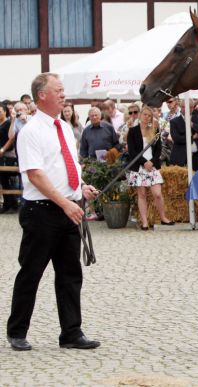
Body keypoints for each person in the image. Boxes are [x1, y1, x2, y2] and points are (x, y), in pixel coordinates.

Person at [6, 72, 100, 351]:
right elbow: (35, 175)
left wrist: (81, 188)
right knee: (31, 271)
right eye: (57, 90)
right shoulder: (32, 131)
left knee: (71, 274)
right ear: (42, 96)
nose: (63, 94)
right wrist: (65, 202)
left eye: (63, 90)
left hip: (68, 209)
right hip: (42, 212)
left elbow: (67, 166)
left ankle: (71, 332)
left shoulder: (64, 128)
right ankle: (17, 331)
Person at [126, 105, 174, 230]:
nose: (147, 117)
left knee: (157, 193)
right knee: (141, 194)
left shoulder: (154, 130)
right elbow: (132, 152)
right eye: (145, 114)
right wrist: (144, 163)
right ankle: (144, 222)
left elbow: (158, 149)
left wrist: (152, 162)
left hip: (152, 166)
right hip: (139, 167)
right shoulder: (132, 131)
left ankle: (163, 218)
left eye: (149, 116)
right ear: (140, 115)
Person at [0, 102, 19, 213]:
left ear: (5, 112)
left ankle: (12, 204)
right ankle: (8, 204)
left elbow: (11, 139)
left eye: (0, 111)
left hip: (8, 155)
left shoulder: (7, 123)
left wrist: (2, 150)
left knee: (5, 178)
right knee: (3, 180)